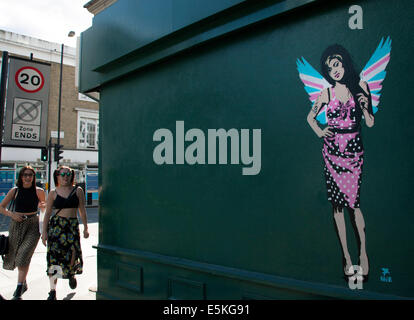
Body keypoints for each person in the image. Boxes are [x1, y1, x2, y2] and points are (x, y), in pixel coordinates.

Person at [306, 44, 374, 279]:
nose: (334, 70)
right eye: (329, 67)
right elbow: (310, 117)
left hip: (353, 152)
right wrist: (320, 131)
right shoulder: (326, 93)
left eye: (336, 64)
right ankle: (346, 256)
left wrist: (365, 108)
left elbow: (371, 122)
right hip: (332, 152)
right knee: (337, 206)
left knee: (353, 204)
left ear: (344, 62)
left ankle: (363, 253)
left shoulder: (361, 87)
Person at [42, 166, 89, 300]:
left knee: (73, 253)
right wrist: (44, 232)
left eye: (68, 174)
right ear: (57, 176)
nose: (65, 176)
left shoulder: (78, 190)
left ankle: (71, 274)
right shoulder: (53, 193)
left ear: (71, 176)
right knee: (54, 259)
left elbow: (82, 210)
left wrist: (86, 227)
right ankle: (52, 291)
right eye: (62, 174)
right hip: (57, 228)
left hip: (72, 226)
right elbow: (47, 214)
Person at [0, 166, 46, 300]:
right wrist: (12, 215)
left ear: (33, 177)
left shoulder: (39, 191)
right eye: (25, 175)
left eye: (30, 175)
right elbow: (1, 207)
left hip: (33, 225)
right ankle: (23, 281)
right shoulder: (15, 191)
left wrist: (43, 229)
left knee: (24, 254)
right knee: (15, 255)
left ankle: (19, 287)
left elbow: (44, 210)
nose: (28, 177)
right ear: (21, 177)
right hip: (17, 225)